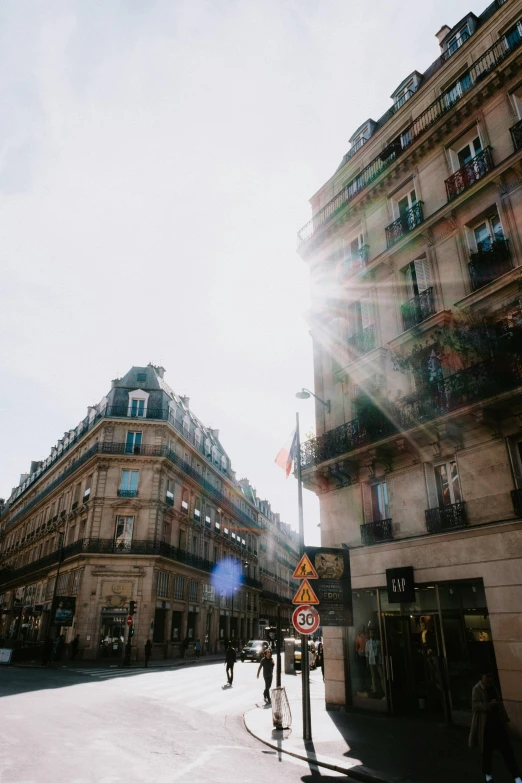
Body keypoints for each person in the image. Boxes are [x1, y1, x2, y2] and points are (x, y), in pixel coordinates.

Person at [469, 671, 522, 783]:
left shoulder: (493, 687)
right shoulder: (477, 688)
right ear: (482, 676)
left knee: (507, 750)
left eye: (491, 676)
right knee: (487, 752)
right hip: (486, 725)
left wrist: (504, 716)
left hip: (498, 724)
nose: (489, 679)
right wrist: (489, 705)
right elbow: (475, 705)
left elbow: (500, 703)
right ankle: (488, 774)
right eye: (487, 676)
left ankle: (516, 776)